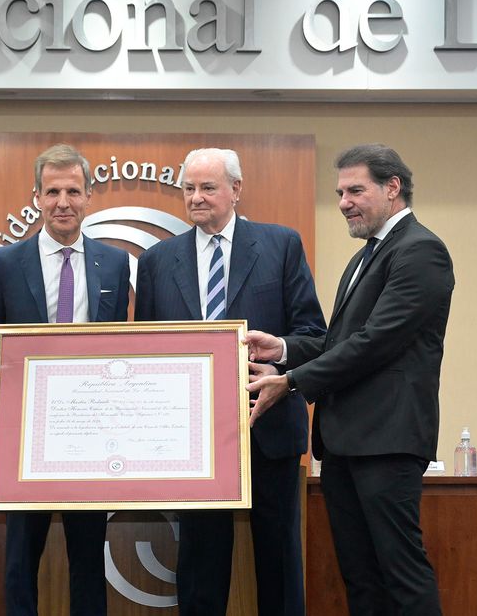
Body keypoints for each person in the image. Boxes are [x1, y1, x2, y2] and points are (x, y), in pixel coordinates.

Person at [246, 143, 453, 615]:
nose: (344, 202)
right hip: (344, 447)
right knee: (360, 579)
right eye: (340, 192)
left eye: (355, 190)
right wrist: (281, 349)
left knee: (401, 573)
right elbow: (341, 340)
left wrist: (292, 381)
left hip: (387, 442)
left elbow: (376, 342)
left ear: (393, 188)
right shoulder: (364, 257)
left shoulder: (422, 251)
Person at [134, 148, 326, 616]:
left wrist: (278, 355)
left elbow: (314, 337)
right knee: (200, 566)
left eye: (208, 188)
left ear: (236, 190)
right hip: (191, 441)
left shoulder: (281, 245)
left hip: (270, 428)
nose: (196, 198)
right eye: (188, 189)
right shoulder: (158, 260)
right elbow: (147, 352)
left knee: (279, 564)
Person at [0, 144, 130, 616]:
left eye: (73, 191)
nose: (63, 201)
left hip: (91, 435)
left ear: (88, 197)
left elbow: (121, 343)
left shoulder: (115, 264)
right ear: (36, 196)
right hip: (26, 435)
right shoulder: (3, 262)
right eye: (53, 191)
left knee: (87, 556)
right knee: (21, 556)